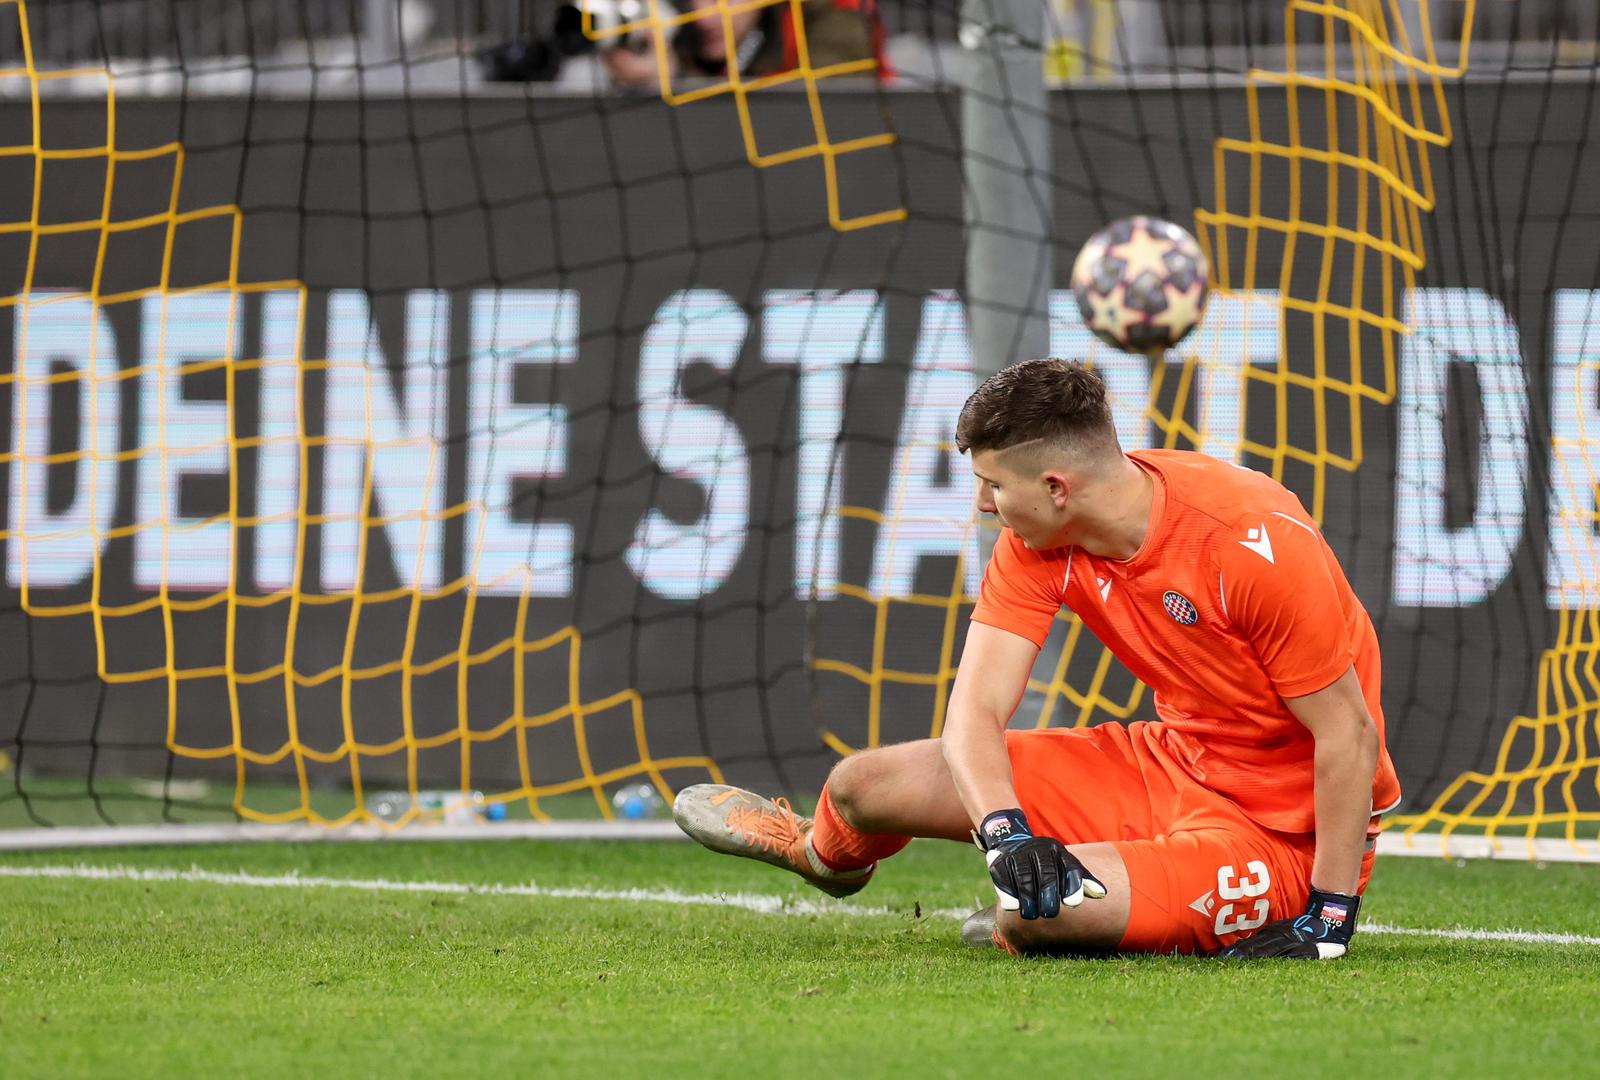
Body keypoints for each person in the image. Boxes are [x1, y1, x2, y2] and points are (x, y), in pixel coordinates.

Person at [673, 357, 1401, 959]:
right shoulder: (1036, 542)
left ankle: (1047, 913)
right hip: (1169, 762)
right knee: (862, 784)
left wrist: (1328, 917)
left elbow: (1349, 734)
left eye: (994, 484)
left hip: (1281, 834)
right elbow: (976, 713)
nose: (984, 504)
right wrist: (1006, 833)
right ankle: (817, 854)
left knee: (1035, 917)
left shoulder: (1245, 542)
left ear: (1057, 488)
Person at [602, 0, 888, 88]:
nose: (704, 16)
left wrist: (675, 81)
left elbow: (802, 125)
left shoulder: (831, 14)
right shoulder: (677, 22)